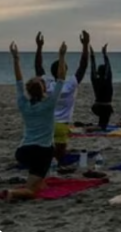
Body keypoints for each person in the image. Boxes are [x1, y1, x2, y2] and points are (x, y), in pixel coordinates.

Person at [3, 41, 67, 201]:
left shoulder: (23, 103)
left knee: (38, 177)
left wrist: (16, 59)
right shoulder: (49, 103)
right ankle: (10, 193)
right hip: (42, 152)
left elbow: (18, 82)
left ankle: (36, 179)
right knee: (32, 191)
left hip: (23, 152)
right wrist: (61, 56)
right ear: (44, 89)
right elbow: (61, 79)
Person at [34, 31, 89, 171]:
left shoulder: (47, 83)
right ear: (65, 71)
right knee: (60, 156)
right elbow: (83, 66)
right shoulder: (70, 84)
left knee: (46, 150)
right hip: (62, 125)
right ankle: (57, 163)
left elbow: (38, 67)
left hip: (47, 124)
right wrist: (85, 45)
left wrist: (39, 47)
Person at [89, 44, 114, 130]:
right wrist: (104, 54)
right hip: (106, 108)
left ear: (98, 73)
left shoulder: (95, 80)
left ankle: (97, 125)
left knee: (102, 123)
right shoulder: (107, 80)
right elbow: (108, 68)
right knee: (103, 127)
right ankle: (95, 127)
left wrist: (92, 56)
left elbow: (92, 68)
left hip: (96, 107)